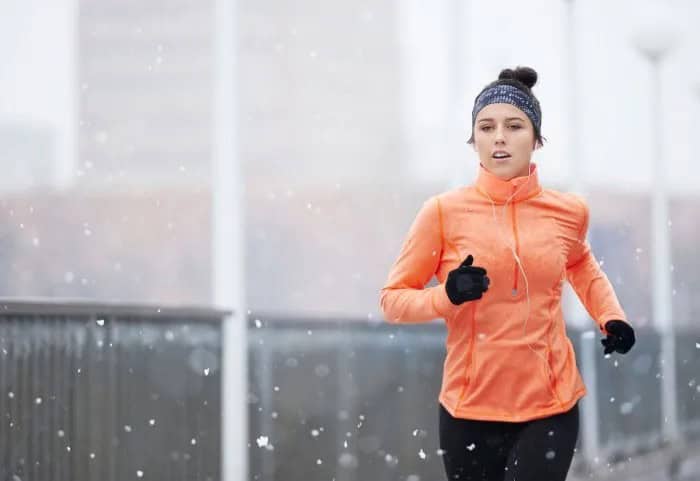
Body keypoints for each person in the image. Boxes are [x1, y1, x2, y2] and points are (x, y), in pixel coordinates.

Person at [379, 66, 636, 481]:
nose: (499, 136)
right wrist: (447, 295)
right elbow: (392, 300)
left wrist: (611, 316)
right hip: (470, 407)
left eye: (514, 126)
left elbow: (580, 264)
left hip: (549, 402)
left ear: (536, 139)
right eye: (486, 127)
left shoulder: (568, 212)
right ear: (474, 140)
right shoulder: (443, 213)